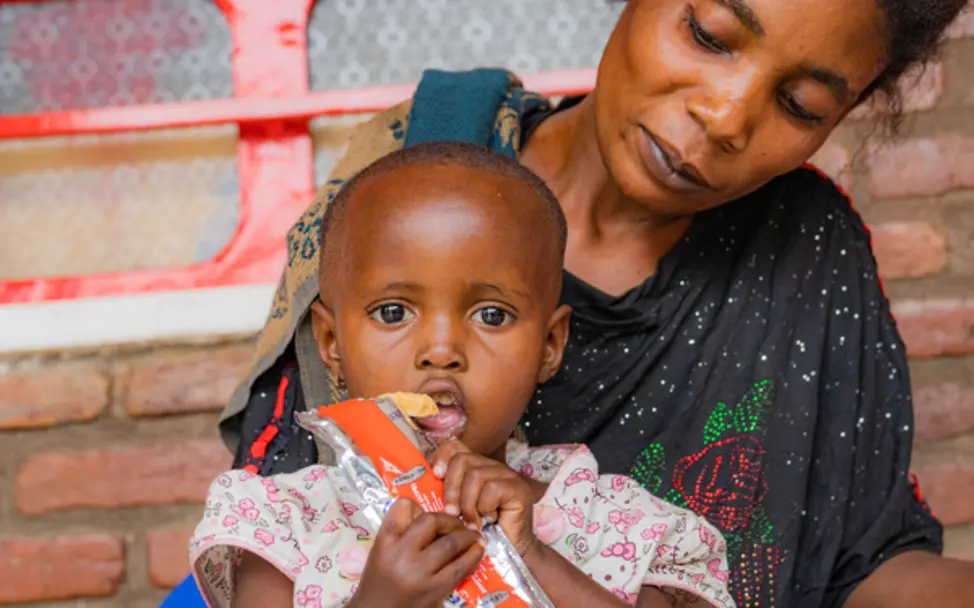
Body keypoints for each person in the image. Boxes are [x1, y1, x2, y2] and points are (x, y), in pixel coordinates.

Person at [217, 1, 974, 606]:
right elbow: (289, 524)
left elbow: (863, 562)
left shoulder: (806, 250)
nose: (725, 115)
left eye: (801, 104)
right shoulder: (404, 196)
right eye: (710, 35)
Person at [191, 141, 735, 608]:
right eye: (393, 312)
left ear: (549, 346)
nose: (442, 350)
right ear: (332, 342)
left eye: (491, 315)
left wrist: (534, 559)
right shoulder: (286, 524)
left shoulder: (613, 522)